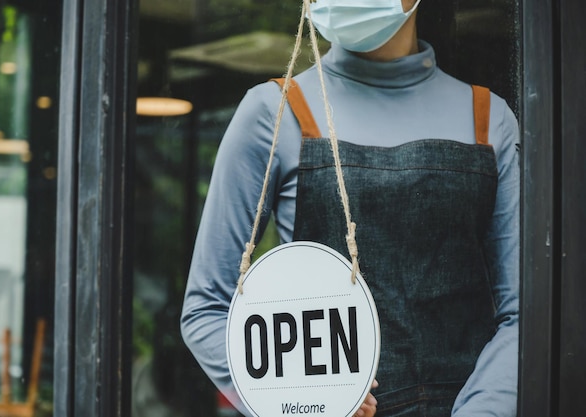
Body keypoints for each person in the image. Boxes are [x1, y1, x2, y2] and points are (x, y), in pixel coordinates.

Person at [180, 0, 520, 416]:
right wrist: (304, 404)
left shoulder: (489, 118)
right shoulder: (274, 110)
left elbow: (522, 314)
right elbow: (207, 309)